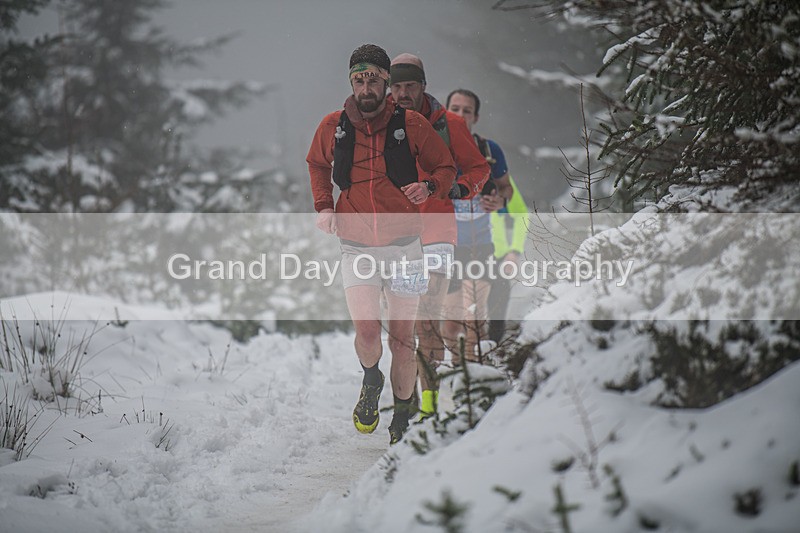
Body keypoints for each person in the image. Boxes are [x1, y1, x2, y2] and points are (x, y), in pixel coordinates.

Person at [307, 44, 456, 444]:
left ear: (386, 81)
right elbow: (317, 164)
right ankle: (371, 379)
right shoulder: (333, 126)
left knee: (402, 343)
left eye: (373, 77)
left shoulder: (411, 125)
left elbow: (445, 166)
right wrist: (323, 206)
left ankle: (402, 420)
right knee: (370, 335)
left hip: (406, 246)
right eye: (359, 78)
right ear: (351, 82)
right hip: (356, 246)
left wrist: (429, 187)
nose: (365, 85)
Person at [388, 53, 490, 419]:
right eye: (396, 86)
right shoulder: (379, 125)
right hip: (394, 235)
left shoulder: (449, 124)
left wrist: (461, 189)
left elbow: (478, 168)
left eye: (410, 86)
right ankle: (415, 402)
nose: (402, 93)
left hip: (436, 231)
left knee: (427, 319)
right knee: (406, 328)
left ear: (423, 87)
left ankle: (429, 409)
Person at [443, 88, 514, 364]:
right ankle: (452, 376)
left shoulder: (489, 151)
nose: (460, 114)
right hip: (444, 247)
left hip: (480, 245)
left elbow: (506, 188)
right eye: (455, 108)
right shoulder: (432, 148)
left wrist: (500, 201)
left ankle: (475, 374)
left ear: (476, 117)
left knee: (475, 318)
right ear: (445, 112)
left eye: (467, 110)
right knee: (450, 325)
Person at [488, 176, 529, 343]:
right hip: (462, 255)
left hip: (497, 256)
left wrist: (514, 251)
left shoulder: (499, 179)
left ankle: (490, 356)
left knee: (497, 315)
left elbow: (522, 215)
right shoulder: (449, 172)